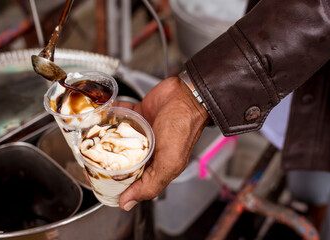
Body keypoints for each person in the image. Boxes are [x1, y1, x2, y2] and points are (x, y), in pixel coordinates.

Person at [117, 0, 330, 236]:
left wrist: (195, 99)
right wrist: (194, 94)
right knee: (307, 180)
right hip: (289, 59)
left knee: (313, 186)